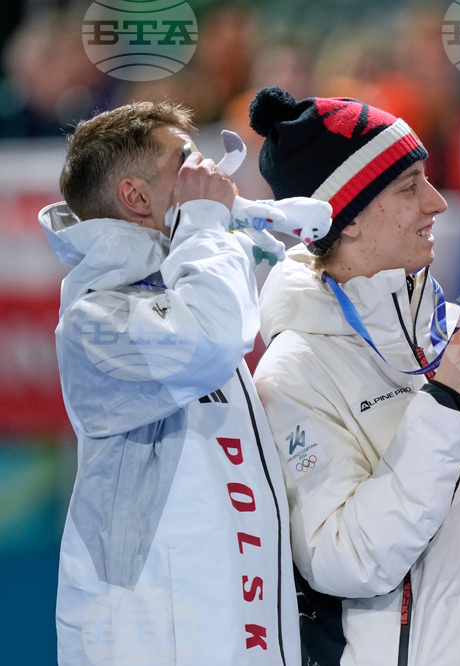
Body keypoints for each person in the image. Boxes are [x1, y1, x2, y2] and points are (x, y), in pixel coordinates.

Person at [247, 87, 460, 666]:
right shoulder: (293, 372)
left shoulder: (449, 326)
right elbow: (346, 560)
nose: (437, 202)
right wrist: (446, 401)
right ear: (346, 222)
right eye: (408, 187)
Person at [42, 101, 300, 664]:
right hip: (152, 634)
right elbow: (210, 337)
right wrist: (208, 226)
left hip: (231, 618)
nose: (205, 176)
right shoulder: (93, 320)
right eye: (184, 164)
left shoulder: (185, 283)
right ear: (135, 197)